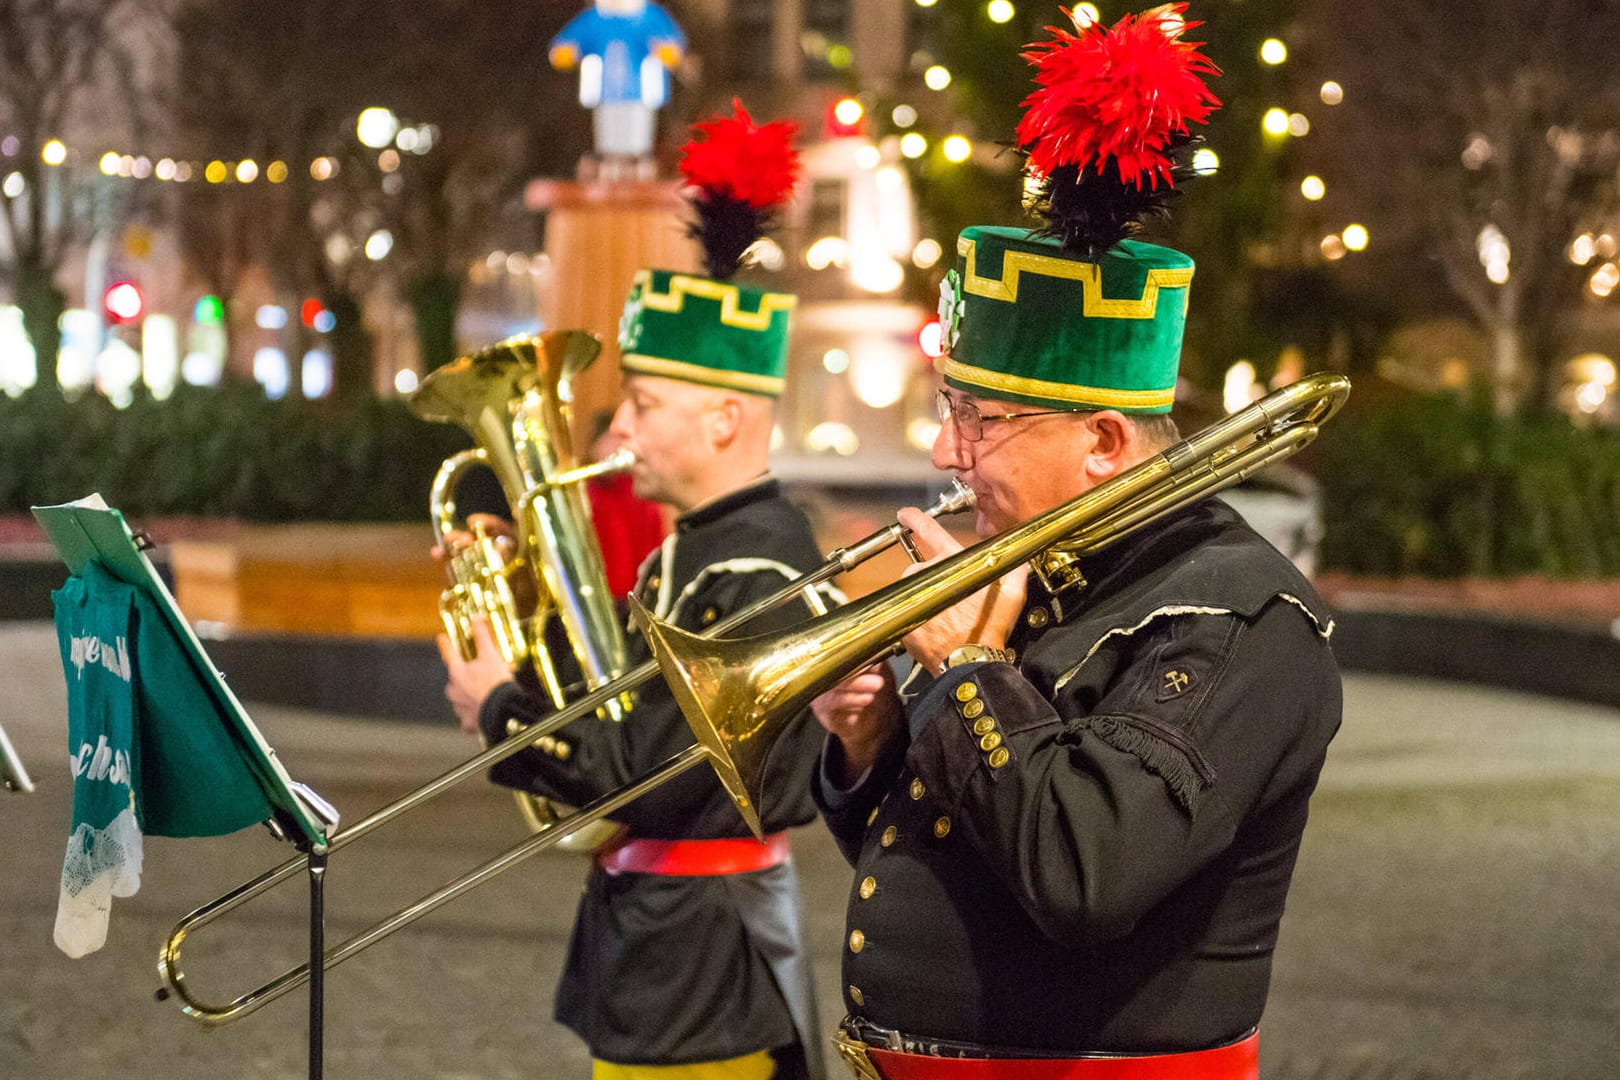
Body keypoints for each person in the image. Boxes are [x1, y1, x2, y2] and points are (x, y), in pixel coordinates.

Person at [809, 8, 1342, 1077]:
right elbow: (952, 854)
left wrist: (964, 670)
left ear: (1102, 440)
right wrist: (868, 749)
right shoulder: (1042, 572)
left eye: (980, 420)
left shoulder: (1235, 614)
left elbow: (1084, 868)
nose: (944, 448)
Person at [439, 101, 825, 1080]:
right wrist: (519, 598)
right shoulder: (693, 552)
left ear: (728, 418)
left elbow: (638, 774)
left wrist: (499, 708)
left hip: (704, 970)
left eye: (645, 406)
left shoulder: (756, 571)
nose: (617, 434)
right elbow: (604, 705)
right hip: (663, 947)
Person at [583, 409, 667, 598]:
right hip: (599, 594)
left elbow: (655, 545)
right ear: (594, 446)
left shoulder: (639, 493)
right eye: (608, 442)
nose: (613, 451)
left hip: (638, 593)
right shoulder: (585, 494)